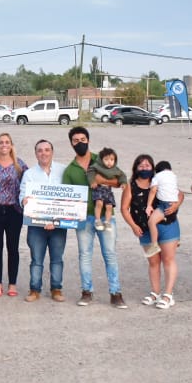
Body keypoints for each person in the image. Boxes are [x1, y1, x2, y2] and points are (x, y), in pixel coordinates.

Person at [62, 126, 126, 309]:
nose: (80, 143)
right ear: (71, 144)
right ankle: (86, 292)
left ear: (88, 140)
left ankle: (116, 293)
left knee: (110, 254)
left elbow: (118, 180)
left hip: (106, 216)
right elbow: (66, 196)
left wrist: (101, 181)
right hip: (83, 218)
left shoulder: (103, 159)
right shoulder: (70, 170)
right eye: (76, 140)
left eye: (83, 139)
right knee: (85, 255)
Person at [121, 154, 181, 308]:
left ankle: (168, 295)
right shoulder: (131, 185)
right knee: (153, 262)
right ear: (135, 168)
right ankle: (155, 292)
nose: (144, 168)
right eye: (141, 165)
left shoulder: (160, 180)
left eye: (148, 165)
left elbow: (179, 194)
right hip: (144, 230)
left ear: (153, 168)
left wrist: (175, 205)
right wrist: (133, 226)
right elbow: (124, 209)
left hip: (167, 225)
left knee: (168, 259)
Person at [19, 138, 67, 303]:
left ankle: (56, 289)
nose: (43, 153)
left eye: (47, 150)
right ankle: (34, 289)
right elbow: (22, 195)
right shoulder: (29, 174)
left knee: (57, 259)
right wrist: (24, 201)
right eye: (40, 150)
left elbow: (69, 196)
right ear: (36, 153)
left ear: (52, 152)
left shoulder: (63, 171)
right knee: (36, 260)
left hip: (58, 224)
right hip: (36, 224)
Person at [0, 133, 28, 298]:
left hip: (14, 211)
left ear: (11, 145)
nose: (4, 145)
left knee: (13, 248)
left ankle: (12, 284)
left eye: (7, 142)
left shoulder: (20, 164)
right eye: (1, 142)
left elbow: (30, 183)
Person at [145, 160, 180, 257]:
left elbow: (153, 190)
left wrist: (149, 205)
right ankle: (177, 239)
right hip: (174, 203)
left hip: (164, 204)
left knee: (151, 222)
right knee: (173, 218)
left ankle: (154, 244)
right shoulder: (173, 176)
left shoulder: (157, 176)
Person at [89, 148, 127, 231]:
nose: (109, 162)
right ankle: (98, 220)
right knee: (99, 203)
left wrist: (123, 183)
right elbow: (90, 172)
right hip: (98, 188)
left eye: (112, 160)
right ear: (101, 160)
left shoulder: (116, 170)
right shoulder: (96, 167)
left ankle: (107, 221)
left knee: (109, 206)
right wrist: (92, 181)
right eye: (106, 159)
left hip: (108, 190)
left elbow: (122, 176)